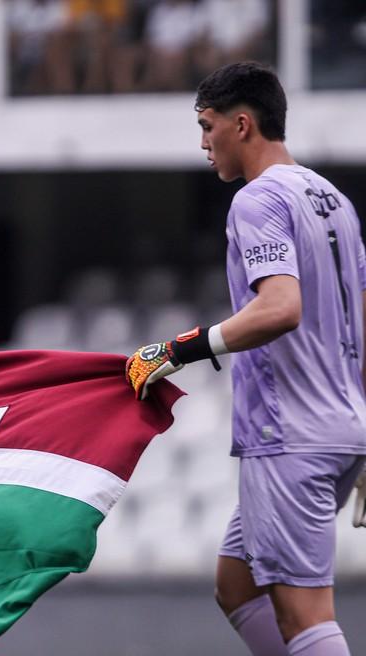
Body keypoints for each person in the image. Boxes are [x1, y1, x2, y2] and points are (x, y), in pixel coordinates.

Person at [126, 61, 366, 656]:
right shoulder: (333, 198)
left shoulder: (257, 200)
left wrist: (179, 348)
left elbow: (280, 307)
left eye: (207, 127)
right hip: (342, 429)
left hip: (291, 437)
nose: (203, 143)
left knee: (304, 614)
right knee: (236, 585)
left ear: (242, 124)